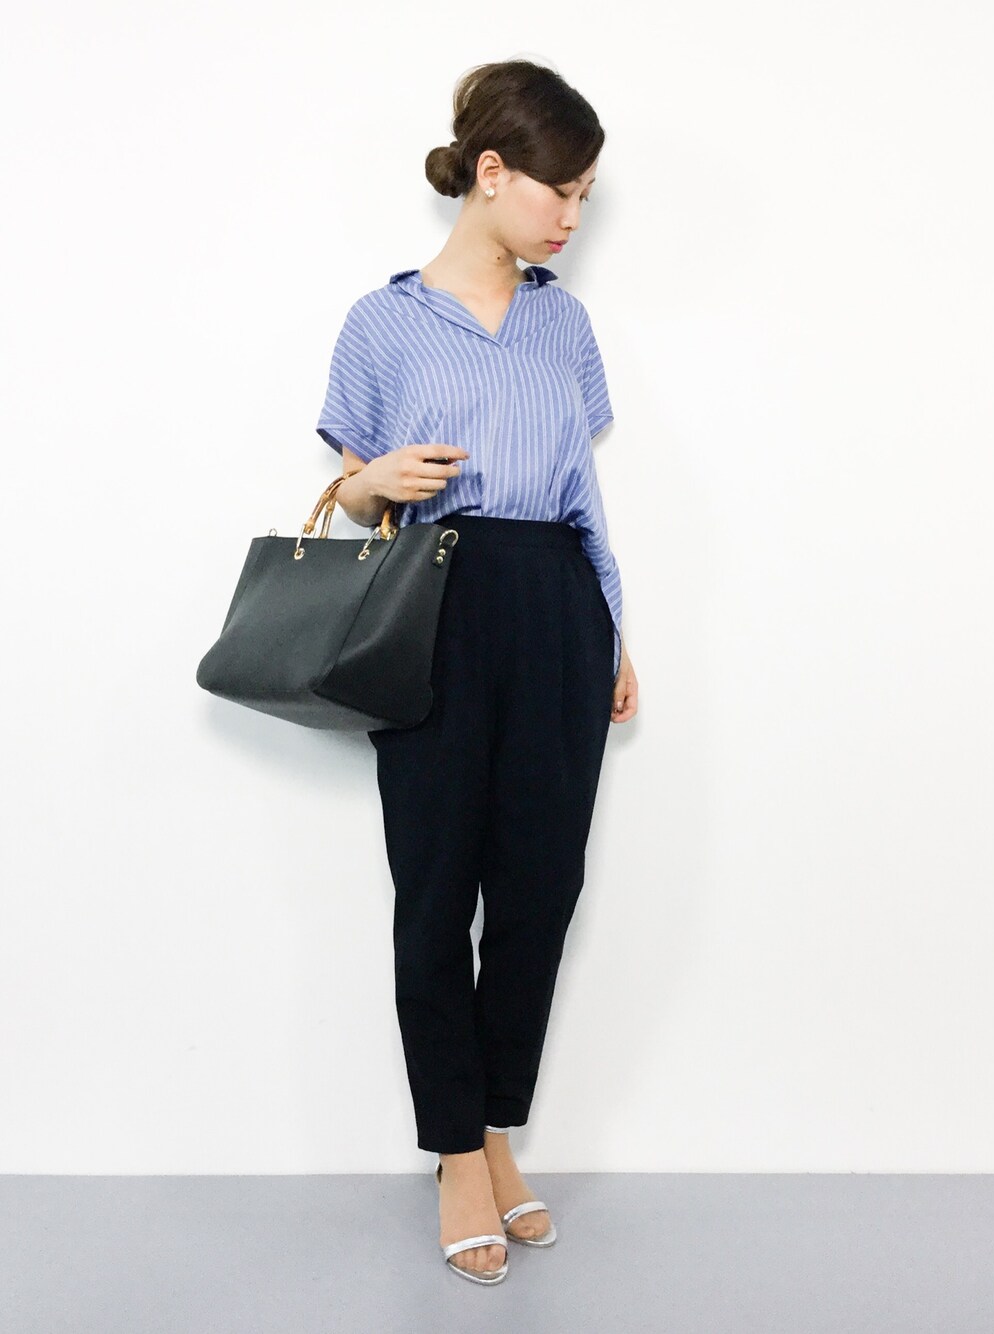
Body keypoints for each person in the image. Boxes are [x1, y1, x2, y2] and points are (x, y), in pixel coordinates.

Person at [315, 58, 639, 1285]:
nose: (572, 216)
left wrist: (612, 625)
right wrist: (370, 481)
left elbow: (579, 488)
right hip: (435, 602)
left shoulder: (563, 322)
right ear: (490, 172)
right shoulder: (382, 321)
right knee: (436, 883)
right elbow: (349, 496)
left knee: (541, 885)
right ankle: (456, 1148)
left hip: (556, 603)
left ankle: (497, 1124)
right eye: (560, 189)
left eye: (587, 196)